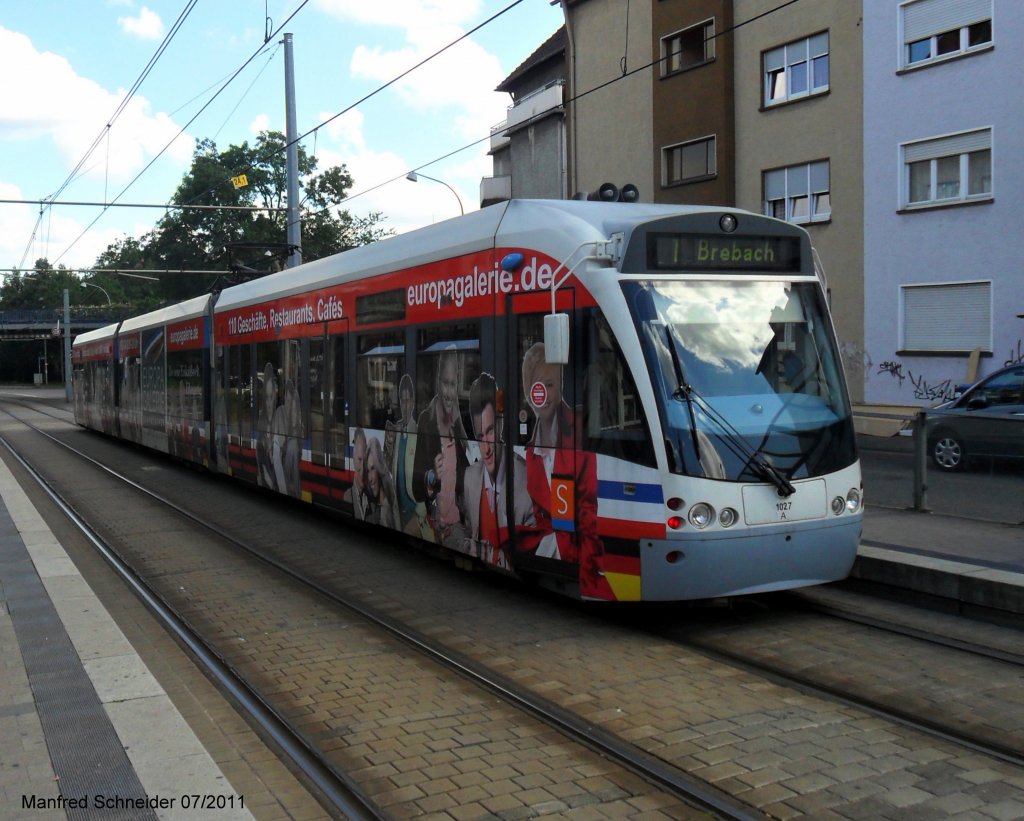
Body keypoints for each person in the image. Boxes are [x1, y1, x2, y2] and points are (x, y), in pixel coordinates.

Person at [521, 342, 610, 598]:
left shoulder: (580, 430)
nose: (545, 394)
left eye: (550, 385)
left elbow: (588, 513)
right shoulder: (530, 453)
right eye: (539, 386)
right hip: (550, 553)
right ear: (528, 391)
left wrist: (590, 576)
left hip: (580, 558)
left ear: (561, 386)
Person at [462, 373, 534, 569]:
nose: (486, 447)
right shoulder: (470, 478)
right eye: (480, 436)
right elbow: (468, 534)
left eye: (490, 431)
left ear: (500, 425)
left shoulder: (525, 481)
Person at [412, 346, 469, 548]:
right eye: (445, 383)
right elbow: (416, 488)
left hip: (457, 527)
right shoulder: (426, 420)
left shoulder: (460, 425)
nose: (448, 392)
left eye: (453, 385)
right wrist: (431, 476)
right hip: (434, 524)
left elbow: (463, 481)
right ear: (438, 383)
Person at [388, 373, 427, 537]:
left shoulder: (418, 433)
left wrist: (418, 517)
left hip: (414, 516)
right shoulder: (396, 430)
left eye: (408, 400)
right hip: (399, 514)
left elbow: (427, 481)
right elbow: (391, 469)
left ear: (412, 402)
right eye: (401, 401)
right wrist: (389, 446)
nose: (404, 406)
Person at [365, 435, 399, 529]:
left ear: (380, 470)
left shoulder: (386, 510)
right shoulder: (377, 507)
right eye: (368, 471)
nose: (370, 478)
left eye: (373, 468)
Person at [256, 362, 278, 489]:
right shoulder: (261, 423)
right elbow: (262, 466)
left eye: (272, 397)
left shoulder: (279, 419)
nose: (270, 403)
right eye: (267, 398)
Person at [344, 427, 369, 520]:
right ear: (353, 460)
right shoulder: (347, 496)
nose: (363, 467)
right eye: (359, 460)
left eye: (365, 461)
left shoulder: (372, 499)